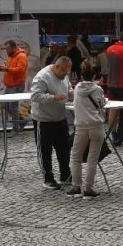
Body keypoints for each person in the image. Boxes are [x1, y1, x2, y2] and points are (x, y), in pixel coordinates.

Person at [28, 55, 74, 189]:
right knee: (45, 150)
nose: (66, 74)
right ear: (57, 66)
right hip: (43, 120)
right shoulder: (42, 76)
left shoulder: (63, 75)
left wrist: (72, 94)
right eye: (64, 71)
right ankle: (48, 178)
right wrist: (53, 97)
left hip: (60, 118)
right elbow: (35, 96)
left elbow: (68, 88)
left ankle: (65, 174)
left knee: (64, 148)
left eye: (67, 72)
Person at [67, 60, 107, 198]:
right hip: (96, 126)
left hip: (81, 126)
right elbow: (102, 104)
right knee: (92, 158)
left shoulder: (77, 88)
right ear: (94, 75)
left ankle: (76, 186)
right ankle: (88, 189)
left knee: (76, 157)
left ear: (82, 75)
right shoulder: (98, 89)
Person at [0, 40, 29, 132]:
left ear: (14, 47)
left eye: (8, 49)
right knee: (5, 105)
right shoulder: (10, 56)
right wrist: (3, 68)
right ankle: (21, 121)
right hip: (10, 85)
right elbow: (10, 68)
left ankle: (16, 127)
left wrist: (7, 69)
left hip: (17, 84)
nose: (7, 51)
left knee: (12, 106)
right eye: (6, 49)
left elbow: (20, 70)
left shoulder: (21, 56)